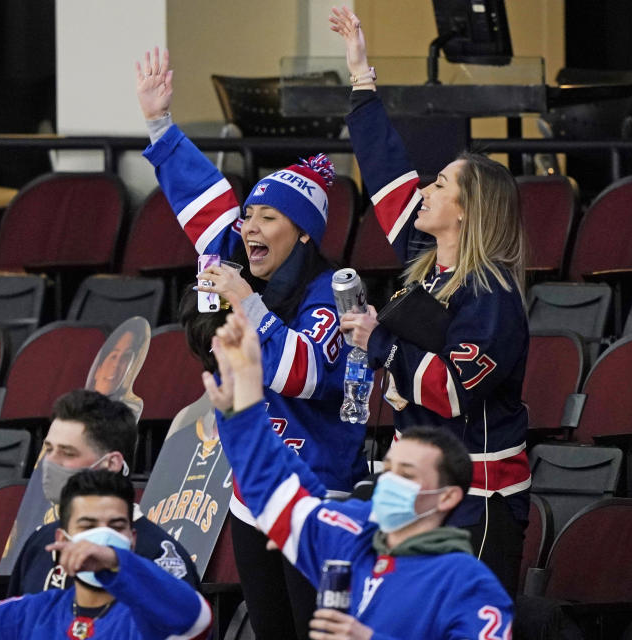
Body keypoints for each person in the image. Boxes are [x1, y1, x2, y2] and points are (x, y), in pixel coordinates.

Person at [136, 48, 367, 639]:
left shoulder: (331, 293)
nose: (250, 227)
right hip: (251, 491)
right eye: (250, 215)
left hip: (317, 493)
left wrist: (246, 302)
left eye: (267, 217)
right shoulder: (243, 262)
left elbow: (305, 373)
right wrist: (160, 126)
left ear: (302, 232)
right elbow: (201, 199)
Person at [331, 7, 531, 595]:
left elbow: (449, 389)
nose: (425, 188)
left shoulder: (492, 294)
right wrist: (361, 75)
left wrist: (378, 341)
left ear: (467, 210)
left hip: (477, 499)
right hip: (407, 490)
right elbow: (388, 170)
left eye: (441, 184)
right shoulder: (426, 257)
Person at [202, 307, 514, 640]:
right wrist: (245, 407)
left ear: (447, 496)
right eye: (389, 468)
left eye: (406, 473)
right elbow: (278, 494)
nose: (389, 482)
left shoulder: (466, 584)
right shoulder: (351, 534)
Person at [0, 469, 212, 640]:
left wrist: (115, 564)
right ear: (62, 538)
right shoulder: (34, 611)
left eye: (115, 526)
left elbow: (194, 617)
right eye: (89, 525)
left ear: (132, 540)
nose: (101, 538)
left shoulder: (151, 614)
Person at [7, 389, 199, 596]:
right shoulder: (41, 542)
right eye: (49, 449)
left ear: (111, 463)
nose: (50, 462)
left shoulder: (159, 554)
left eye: (67, 452)